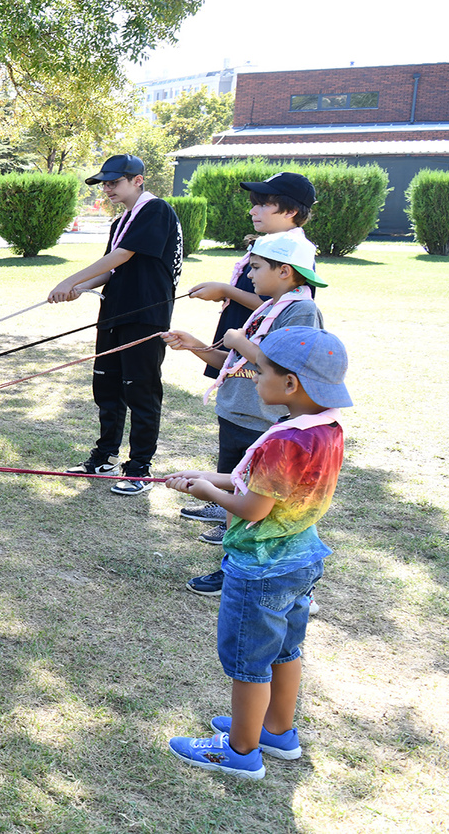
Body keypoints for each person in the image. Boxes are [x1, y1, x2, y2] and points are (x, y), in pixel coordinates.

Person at [163, 327, 350, 780]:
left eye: (259, 370)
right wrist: (206, 476)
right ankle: (277, 730)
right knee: (285, 649)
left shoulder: (284, 441)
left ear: (290, 384)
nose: (253, 375)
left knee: (249, 661)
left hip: (260, 569)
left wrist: (208, 491)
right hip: (300, 560)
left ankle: (241, 750)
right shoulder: (324, 427)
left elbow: (253, 507)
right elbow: (264, 486)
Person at [162, 174, 324, 600]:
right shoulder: (263, 311)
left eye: (254, 268)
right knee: (237, 492)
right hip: (236, 410)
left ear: (284, 271)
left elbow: (282, 368)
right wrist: (196, 346)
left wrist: (237, 338)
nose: (247, 276)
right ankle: (231, 567)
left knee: (256, 505)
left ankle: (256, 575)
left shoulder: (300, 312)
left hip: (262, 419)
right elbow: (234, 365)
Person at [48, 154, 183, 494]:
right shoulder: (120, 221)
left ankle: (139, 468)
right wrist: (80, 288)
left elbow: (123, 255)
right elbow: (112, 269)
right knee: (107, 389)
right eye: (104, 183)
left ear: (138, 180)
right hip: (113, 314)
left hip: (144, 317)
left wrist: (70, 279)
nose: (107, 188)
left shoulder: (156, 210)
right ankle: (105, 456)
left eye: (114, 182)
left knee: (141, 392)